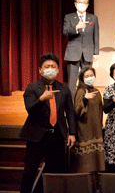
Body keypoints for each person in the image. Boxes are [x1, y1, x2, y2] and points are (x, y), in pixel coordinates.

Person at [20, 53, 76, 193]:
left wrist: (72, 133)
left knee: (53, 171)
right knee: (30, 171)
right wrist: (41, 99)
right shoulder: (32, 87)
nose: (50, 69)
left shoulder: (64, 88)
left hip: (56, 136)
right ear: (40, 70)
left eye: (53, 67)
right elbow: (30, 110)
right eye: (47, 66)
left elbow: (70, 112)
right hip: (36, 136)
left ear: (58, 70)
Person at [63, 0, 99, 98]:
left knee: (87, 79)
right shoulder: (69, 17)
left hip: (88, 52)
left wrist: (96, 52)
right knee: (72, 81)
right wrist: (76, 28)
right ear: (75, 4)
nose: (82, 5)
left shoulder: (93, 18)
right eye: (79, 2)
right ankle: (72, 104)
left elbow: (96, 35)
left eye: (84, 3)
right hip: (73, 52)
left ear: (87, 5)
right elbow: (65, 32)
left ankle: (85, 100)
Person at [71, 67, 105, 173]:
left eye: (91, 75)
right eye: (86, 76)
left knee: (96, 163)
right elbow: (77, 111)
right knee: (85, 164)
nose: (90, 78)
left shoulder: (97, 91)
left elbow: (100, 109)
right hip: (84, 129)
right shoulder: (81, 91)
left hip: (96, 130)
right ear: (82, 78)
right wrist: (85, 99)